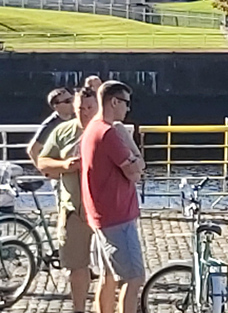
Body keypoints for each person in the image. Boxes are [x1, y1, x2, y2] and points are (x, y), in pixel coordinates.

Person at [80, 81, 146, 313]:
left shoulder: (92, 128)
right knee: (134, 277)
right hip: (117, 217)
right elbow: (135, 172)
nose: (128, 109)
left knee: (108, 276)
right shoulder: (108, 133)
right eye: (126, 103)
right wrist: (136, 156)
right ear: (114, 102)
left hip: (100, 215)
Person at [37, 87, 98, 313]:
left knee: (112, 268)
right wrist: (64, 166)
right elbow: (42, 161)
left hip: (107, 211)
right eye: (80, 108)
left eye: (90, 108)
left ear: (98, 107)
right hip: (74, 210)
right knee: (76, 267)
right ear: (74, 108)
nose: (85, 113)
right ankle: (79, 309)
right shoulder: (63, 131)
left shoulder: (111, 131)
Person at [27, 87, 76, 167]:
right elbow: (32, 150)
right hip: (60, 169)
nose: (72, 103)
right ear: (56, 106)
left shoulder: (77, 117)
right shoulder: (51, 125)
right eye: (68, 101)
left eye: (72, 99)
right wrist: (45, 170)